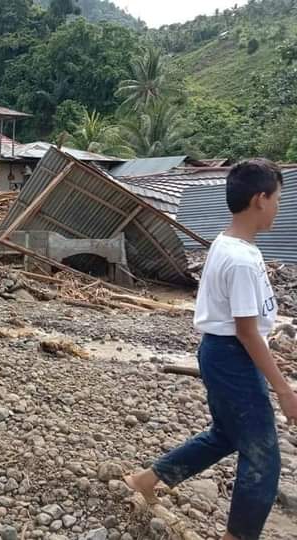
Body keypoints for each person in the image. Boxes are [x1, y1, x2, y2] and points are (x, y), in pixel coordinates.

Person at [125, 159, 297, 540]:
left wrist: (269, 354)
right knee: (263, 458)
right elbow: (247, 332)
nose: (279, 207)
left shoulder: (232, 243)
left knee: (226, 435)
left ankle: (145, 480)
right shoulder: (238, 259)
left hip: (224, 353)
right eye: (278, 198)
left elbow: (250, 328)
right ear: (260, 199)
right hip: (232, 357)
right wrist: (284, 390)